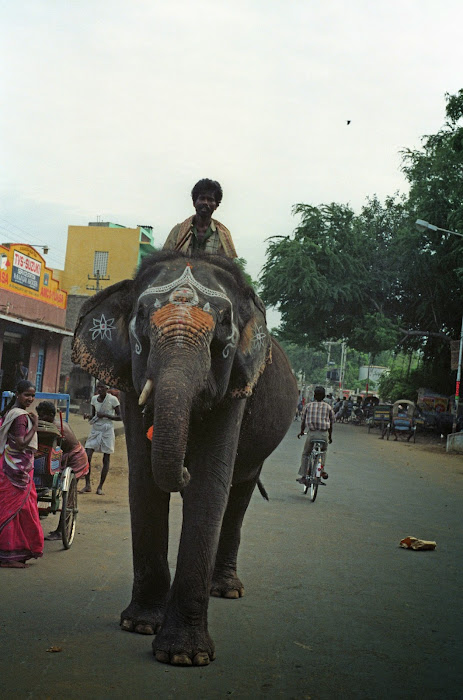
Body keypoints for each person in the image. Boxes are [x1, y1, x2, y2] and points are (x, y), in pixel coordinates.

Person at [0, 380, 43, 568]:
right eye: (27, 394)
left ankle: (12, 553)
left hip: (12, 466)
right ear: (17, 394)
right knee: (16, 510)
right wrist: (35, 424)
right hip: (16, 471)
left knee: (15, 510)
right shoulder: (21, 417)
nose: (30, 399)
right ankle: (7, 556)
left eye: (33, 395)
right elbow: (20, 443)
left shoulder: (12, 413)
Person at [36, 401, 90, 540]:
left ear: (50, 415)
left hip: (75, 458)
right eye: (39, 416)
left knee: (68, 496)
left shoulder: (56, 427)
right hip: (65, 455)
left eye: (42, 416)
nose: (40, 418)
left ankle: (61, 530)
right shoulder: (54, 423)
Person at [163, 179, 237, 258]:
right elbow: (164, 260)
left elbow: (228, 267)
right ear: (194, 202)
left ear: (216, 206)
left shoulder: (223, 235)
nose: (205, 202)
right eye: (202, 198)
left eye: (210, 200)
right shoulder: (177, 231)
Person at [80, 382, 122, 495]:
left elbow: (120, 417)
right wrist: (88, 416)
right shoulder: (94, 399)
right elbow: (94, 415)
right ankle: (87, 485)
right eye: (98, 387)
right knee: (87, 455)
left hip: (107, 430)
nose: (100, 389)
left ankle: (100, 487)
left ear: (107, 389)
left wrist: (106, 415)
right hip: (95, 429)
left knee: (106, 458)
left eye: (102, 387)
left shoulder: (113, 400)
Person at [296, 385, 335, 483]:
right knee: (323, 451)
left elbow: (303, 421)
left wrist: (301, 432)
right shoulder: (328, 407)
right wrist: (330, 437)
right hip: (324, 434)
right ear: (324, 396)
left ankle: (304, 476)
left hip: (312, 434)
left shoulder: (308, 406)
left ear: (314, 395)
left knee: (306, 453)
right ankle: (321, 471)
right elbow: (331, 423)